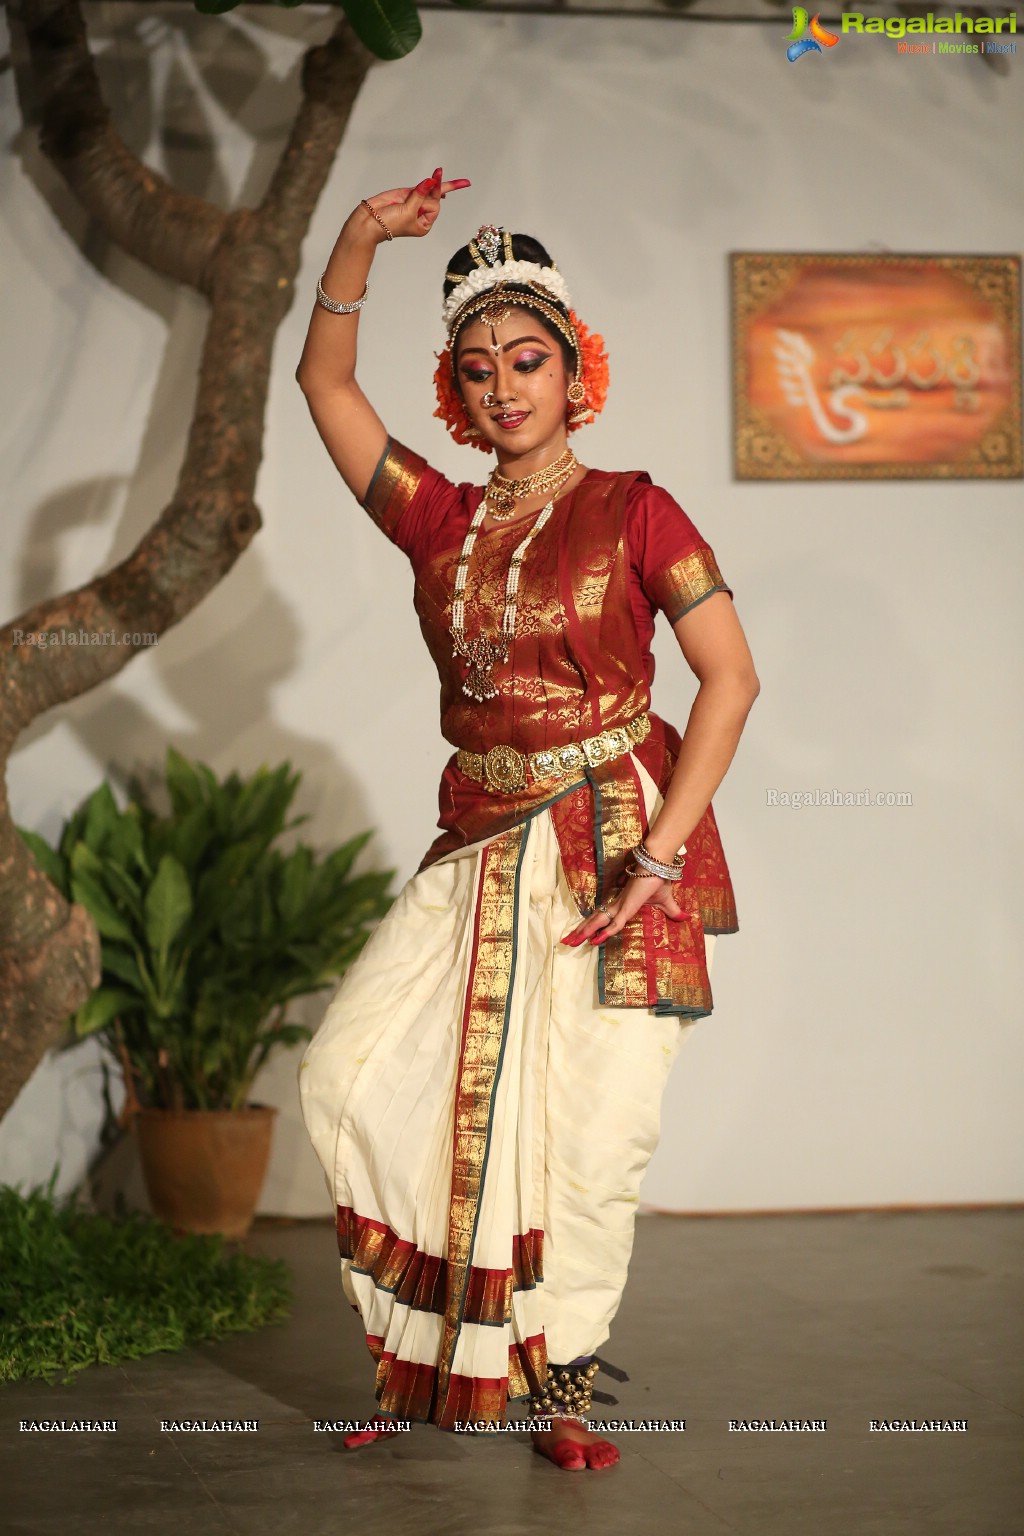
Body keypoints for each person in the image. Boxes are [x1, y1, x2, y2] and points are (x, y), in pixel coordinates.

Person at [295, 169, 760, 1473]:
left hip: (617, 848)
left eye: (529, 359)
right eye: (480, 366)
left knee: (594, 1134)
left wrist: (660, 854)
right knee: (355, 1080)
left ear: (574, 371)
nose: (505, 386)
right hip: (476, 847)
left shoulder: (637, 510)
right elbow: (328, 391)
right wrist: (355, 243)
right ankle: (430, 1360)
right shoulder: (436, 520)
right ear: (457, 389)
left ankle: (559, 1385)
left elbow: (732, 677)